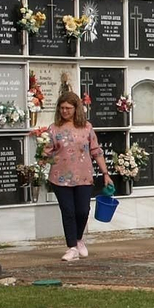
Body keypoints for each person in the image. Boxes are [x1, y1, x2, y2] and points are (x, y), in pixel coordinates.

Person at [47, 92, 111, 263]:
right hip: (60, 176)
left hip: (83, 175)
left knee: (82, 211)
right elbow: (47, 152)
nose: (65, 111)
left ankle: (78, 238)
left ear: (76, 109)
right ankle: (72, 247)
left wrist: (105, 173)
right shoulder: (53, 129)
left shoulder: (86, 128)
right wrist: (41, 160)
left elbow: (96, 151)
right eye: (61, 108)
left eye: (68, 108)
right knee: (68, 211)